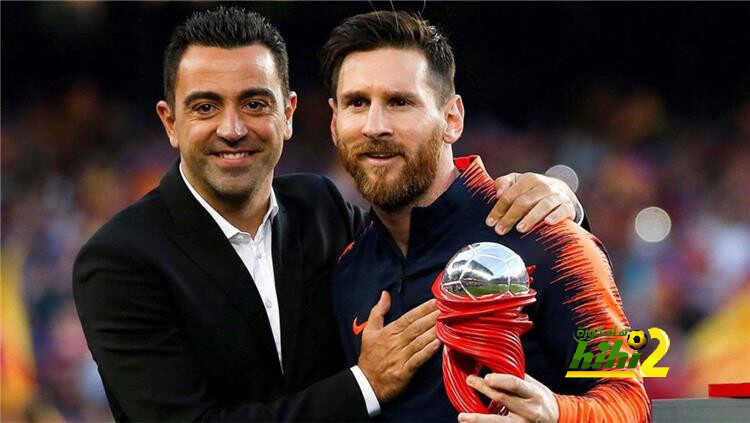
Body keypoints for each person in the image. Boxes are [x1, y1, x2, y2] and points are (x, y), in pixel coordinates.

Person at [73, 7, 585, 422]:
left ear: (288, 114)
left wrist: (560, 198)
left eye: (254, 104)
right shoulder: (120, 261)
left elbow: (620, 385)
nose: (232, 129)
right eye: (205, 107)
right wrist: (365, 386)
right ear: (170, 122)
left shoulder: (321, 210)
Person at [324, 11, 650, 423]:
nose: (375, 126)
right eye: (357, 103)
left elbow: (630, 400)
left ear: (452, 119)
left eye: (400, 102)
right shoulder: (348, 269)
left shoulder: (550, 238)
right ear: (335, 123)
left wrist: (555, 414)